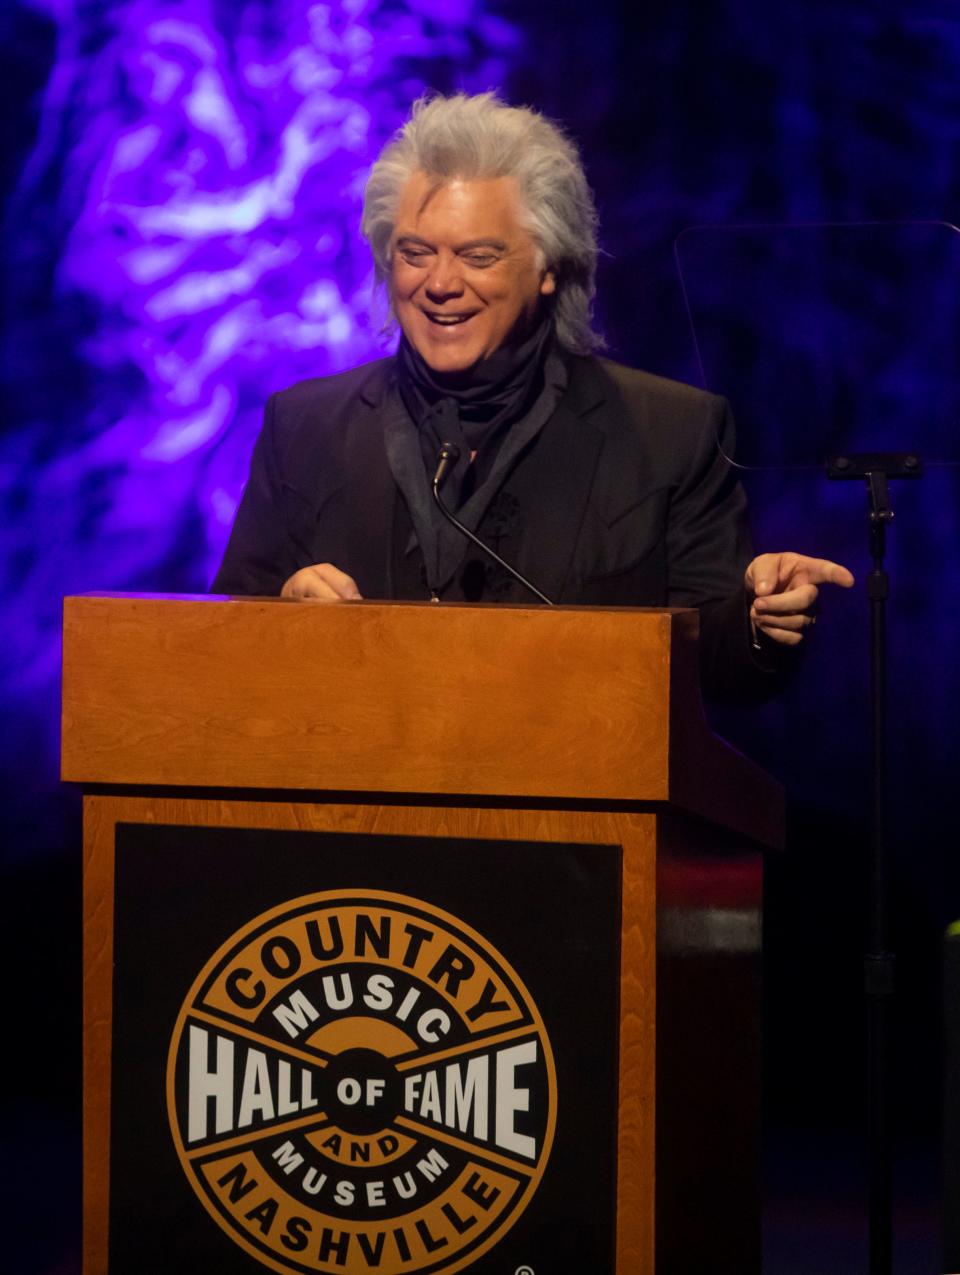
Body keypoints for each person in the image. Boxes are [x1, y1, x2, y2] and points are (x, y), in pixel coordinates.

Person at [212, 92, 853, 700]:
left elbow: (709, 666)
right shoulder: (302, 424)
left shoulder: (671, 433)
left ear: (548, 269)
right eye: (415, 253)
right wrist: (281, 623)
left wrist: (760, 621)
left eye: (478, 256)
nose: (439, 283)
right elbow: (216, 650)